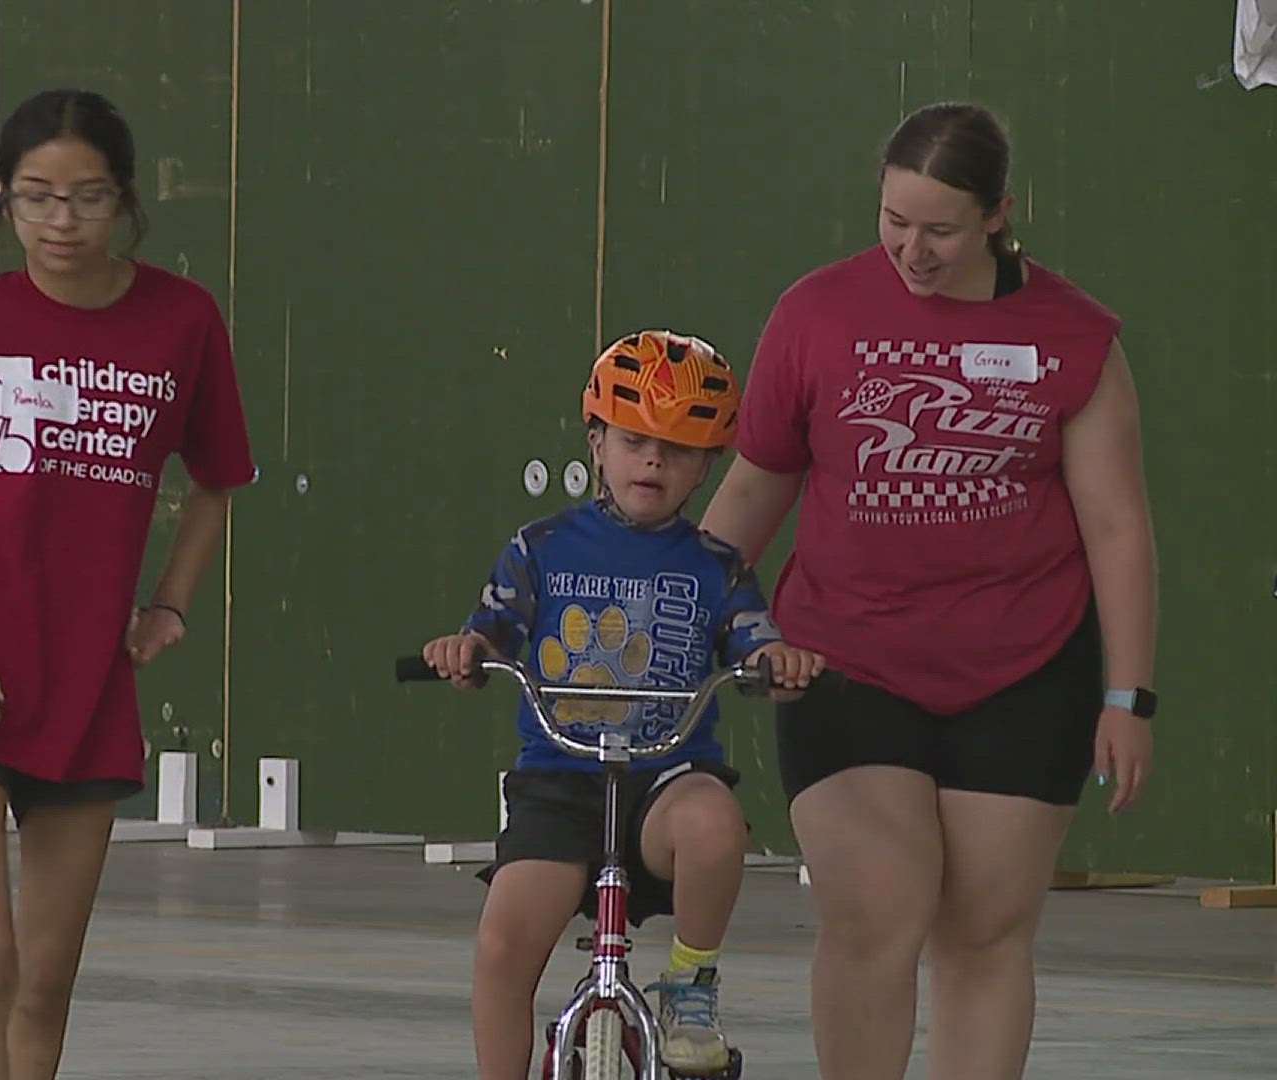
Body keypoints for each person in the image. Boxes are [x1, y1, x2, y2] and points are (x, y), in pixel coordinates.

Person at [698, 102, 1157, 1080]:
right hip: (843, 658)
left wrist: (1130, 693)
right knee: (877, 909)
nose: (912, 249)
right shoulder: (817, 313)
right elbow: (755, 485)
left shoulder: (1073, 338)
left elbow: (1117, 525)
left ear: (999, 214)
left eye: (940, 229)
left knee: (985, 931)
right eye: (893, 221)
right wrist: (672, 609)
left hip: (1025, 665)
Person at [0, 88, 255, 1080]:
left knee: (45, 984)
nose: (60, 221)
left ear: (123, 199)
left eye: (86, 197)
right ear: (4, 199)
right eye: (36, 197)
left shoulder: (182, 320)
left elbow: (217, 484)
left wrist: (169, 602)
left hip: (88, 684)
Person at [422, 330, 827, 1079]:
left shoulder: (715, 565)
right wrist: (468, 652)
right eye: (636, 440)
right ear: (596, 441)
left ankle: (691, 988)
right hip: (561, 778)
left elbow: (752, 641)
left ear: (706, 466)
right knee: (503, 947)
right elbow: (494, 631)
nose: (653, 462)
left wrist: (777, 661)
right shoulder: (540, 547)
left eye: (679, 450)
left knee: (714, 824)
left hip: (666, 778)